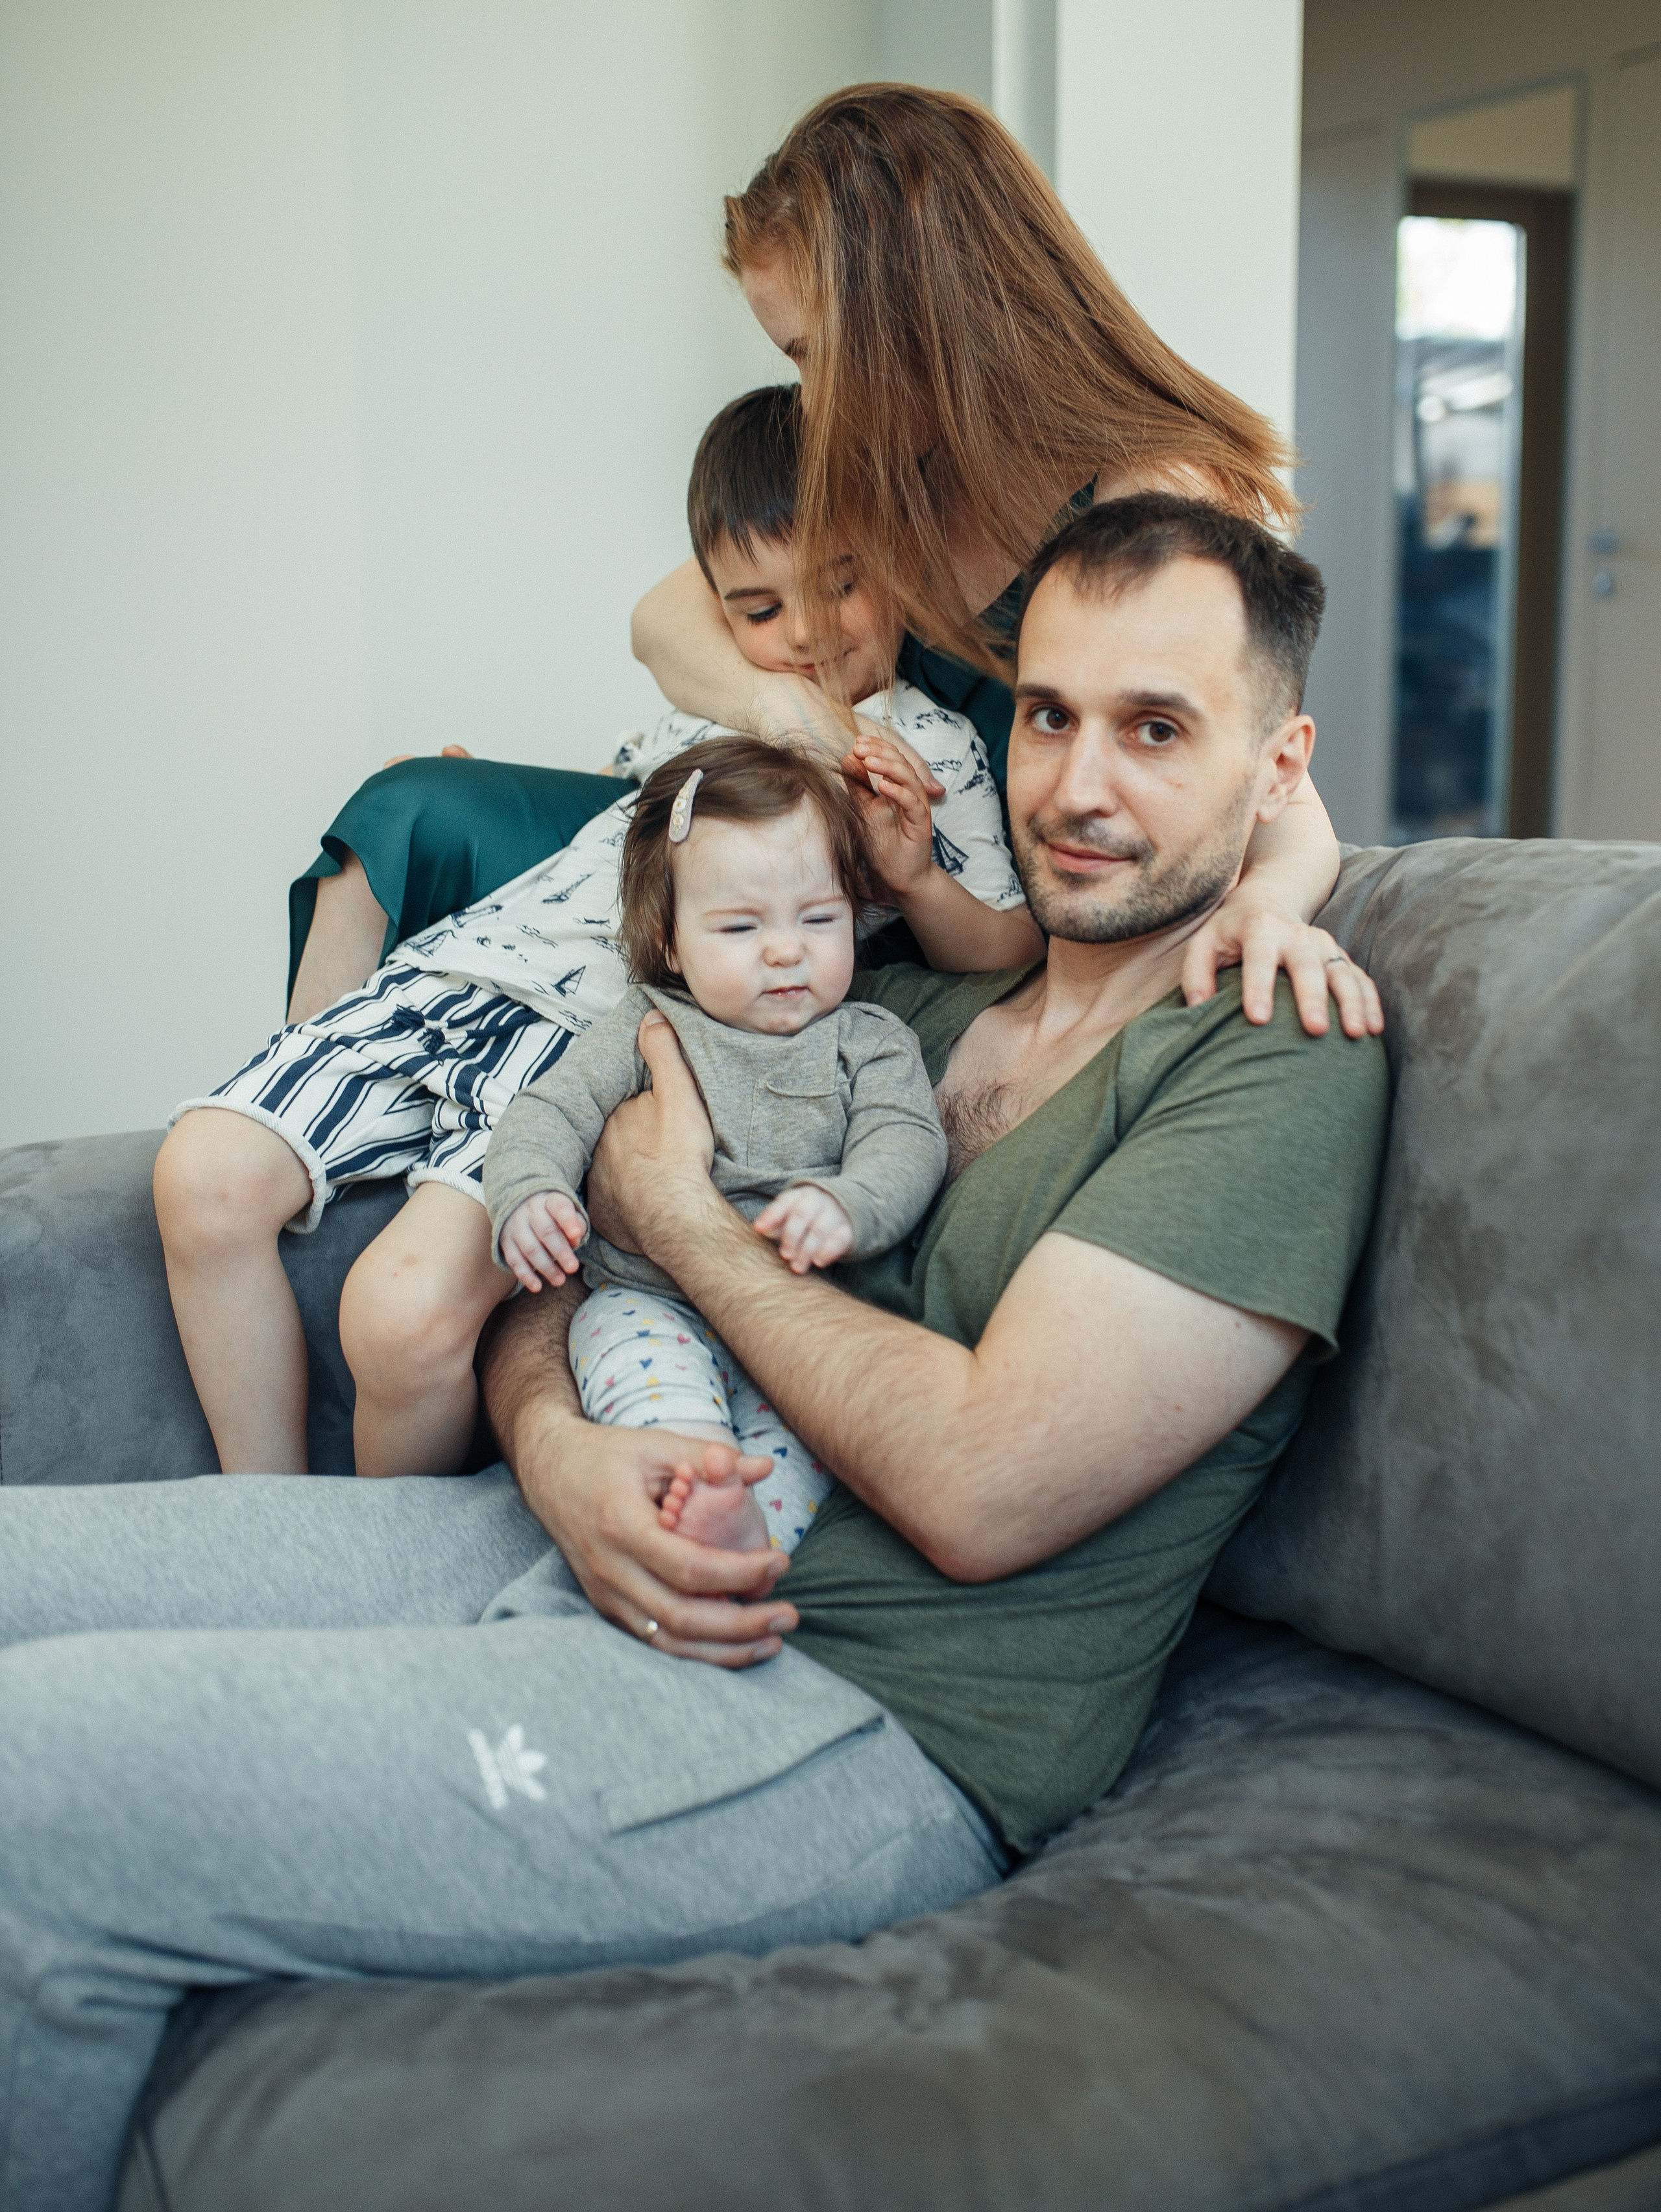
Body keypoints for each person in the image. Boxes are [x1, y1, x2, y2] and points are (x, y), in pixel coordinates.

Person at [0, 492, 1390, 2212]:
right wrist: (558, 1445)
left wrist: (688, 1219)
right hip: (576, 1530)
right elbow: (572, 1266)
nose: (1080, 788)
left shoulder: (1269, 1056)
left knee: (29, 1794)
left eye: (1158, 728)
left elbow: (978, 1482)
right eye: (1048, 715)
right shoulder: (913, 995)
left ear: (1280, 766)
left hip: (849, 1714)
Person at [285, 84, 1381, 1056]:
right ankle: (291, 1121)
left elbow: (1271, 781)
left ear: (925, 311)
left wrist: (1275, 904)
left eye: (812, 355)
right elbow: (665, 619)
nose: (805, 399)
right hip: (800, 844)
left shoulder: (1151, 492)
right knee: (409, 815)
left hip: (925, 904)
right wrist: (798, 718)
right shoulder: (890, 463)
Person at [155, 388, 1034, 1481]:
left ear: (898, 558)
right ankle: (258, 1515)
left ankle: (374, 1575)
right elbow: (614, 800)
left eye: (840, 586)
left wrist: (910, 874)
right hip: (461, 970)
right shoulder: (722, 698)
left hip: (589, 1030)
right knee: (199, 1177)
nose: (802, 633)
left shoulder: (929, 751)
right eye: (758, 609)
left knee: (397, 1318)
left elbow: (1000, 947)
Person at [487, 736, 951, 1557]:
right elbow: (548, 1113)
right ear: (670, 943)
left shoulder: (870, 1042)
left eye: (819, 918)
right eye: (740, 925)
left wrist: (850, 1203)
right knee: (650, 1395)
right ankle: (687, 1490)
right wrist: (531, 1192)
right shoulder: (647, 1025)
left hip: (809, 1321)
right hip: (648, 1302)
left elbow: (907, 1143)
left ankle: (745, 1541)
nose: (785, 949)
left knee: (807, 1448)